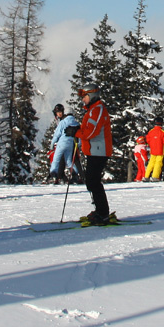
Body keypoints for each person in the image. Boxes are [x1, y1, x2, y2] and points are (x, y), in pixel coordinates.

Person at [74, 85, 114, 225]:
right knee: (92, 181)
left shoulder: (97, 110)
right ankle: (100, 211)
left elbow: (91, 132)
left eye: (84, 96)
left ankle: (102, 214)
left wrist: (76, 132)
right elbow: (88, 129)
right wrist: (77, 129)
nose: (83, 100)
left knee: (93, 181)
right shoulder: (93, 110)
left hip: (99, 151)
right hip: (95, 150)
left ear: (92, 96)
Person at [49, 104, 80, 184]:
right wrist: (79, 144)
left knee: (56, 159)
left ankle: (53, 175)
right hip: (71, 144)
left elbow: (57, 134)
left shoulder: (63, 122)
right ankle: (75, 174)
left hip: (62, 143)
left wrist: (52, 143)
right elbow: (79, 135)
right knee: (69, 160)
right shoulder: (76, 123)